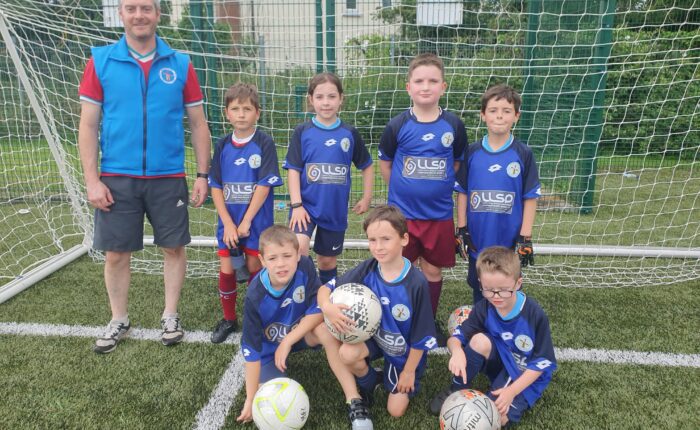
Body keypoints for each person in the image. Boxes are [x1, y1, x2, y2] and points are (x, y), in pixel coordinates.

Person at [78, 0, 211, 353]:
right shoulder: (101, 60)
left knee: (173, 247)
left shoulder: (181, 64)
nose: (139, 15)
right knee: (116, 254)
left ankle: (170, 314)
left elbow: (198, 124)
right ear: (120, 13)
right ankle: (119, 318)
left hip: (168, 177)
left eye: (147, 8)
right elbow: (88, 125)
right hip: (116, 177)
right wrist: (92, 181)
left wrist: (202, 174)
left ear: (158, 14)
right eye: (132, 8)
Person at [236, 226, 371, 430]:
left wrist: (289, 341)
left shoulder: (304, 267)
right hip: (269, 349)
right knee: (265, 403)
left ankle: (354, 400)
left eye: (287, 256)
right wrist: (250, 397)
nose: (281, 264)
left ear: (298, 255)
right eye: (272, 259)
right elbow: (252, 351)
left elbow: (319, 308)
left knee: (326, 329)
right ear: (262, 261)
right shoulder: (255, 296)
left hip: (299, 334)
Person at [319, 205, 437, 421]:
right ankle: (370, 381)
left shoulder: (416, 283)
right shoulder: (369, 268)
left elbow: (422, 337)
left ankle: (395, 375)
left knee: (395, 410)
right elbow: (326, 288)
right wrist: (327, 306)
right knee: (347, 353)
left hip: (403, 353)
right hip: (375, 340)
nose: (378, 247)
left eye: (385, 239)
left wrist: (409, 371)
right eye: (372, 240)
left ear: (404, 239)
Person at [378, 53, 467, 338]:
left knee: (431, 271)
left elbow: (455, 164)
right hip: (402, 216)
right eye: (419, 81)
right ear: (408, 87)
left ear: (444, 86)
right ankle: (396, 320)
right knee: (396, 270)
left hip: (438, 215)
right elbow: (386, 164)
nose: (425, 86)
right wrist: (404, 191)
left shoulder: (453, 125)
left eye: (432, 81)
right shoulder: (397, 125)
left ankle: (426, 322)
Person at [428, 246, 556, 427]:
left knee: (494, 417)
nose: (496, 297)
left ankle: (505, 394)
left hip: (523, 372)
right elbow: (455, 338)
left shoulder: (534, 315)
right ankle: (456, 390)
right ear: (480, 283)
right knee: (478, 340)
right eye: (488, 290)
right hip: (502, 359)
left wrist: (511, 391)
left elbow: (542, 363)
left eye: (504, 290)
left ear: (518, 283)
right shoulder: (484, 307)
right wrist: (456, 351)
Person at [208, 83, 283, 344]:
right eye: (235, 109)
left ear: (257, 113)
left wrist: (247, 221)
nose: (241, 114)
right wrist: (229, 224)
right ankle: (229, 318)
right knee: (227, 268)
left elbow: (264, 185)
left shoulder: (263, 142)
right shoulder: (222, 145)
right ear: (226, 113)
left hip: (256, 223)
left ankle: (256, 318)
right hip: (228, 224)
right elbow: (216, 186)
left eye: (247, 109)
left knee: (254, 268)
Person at [284, 72, 373, 285]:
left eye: (332, 96)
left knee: (326, 261)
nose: (326, 102)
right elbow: (293, 169)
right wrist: (296, 205)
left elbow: (367, 166)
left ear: (341, 98)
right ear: (311, 99)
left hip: (334, 209)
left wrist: (367, 197)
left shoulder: (349, 133)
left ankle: (327, 299)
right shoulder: (302, 131)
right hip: (304, 207)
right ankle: (301, 296)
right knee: (299, 248)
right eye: (320, 97)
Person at [455, 84, 540, 304]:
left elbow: (530, 196)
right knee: (479, 286)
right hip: (478, 238)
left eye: (506, 111)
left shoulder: (523, 153)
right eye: (493, 110)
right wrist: (462, 228)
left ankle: (506, 329)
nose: (499, 116)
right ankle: (480, 328)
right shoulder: (472, 152)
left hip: (509, 240)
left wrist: (525, 237)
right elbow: (463, 191)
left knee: (505, 287)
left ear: (516, 116)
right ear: (483, 115)